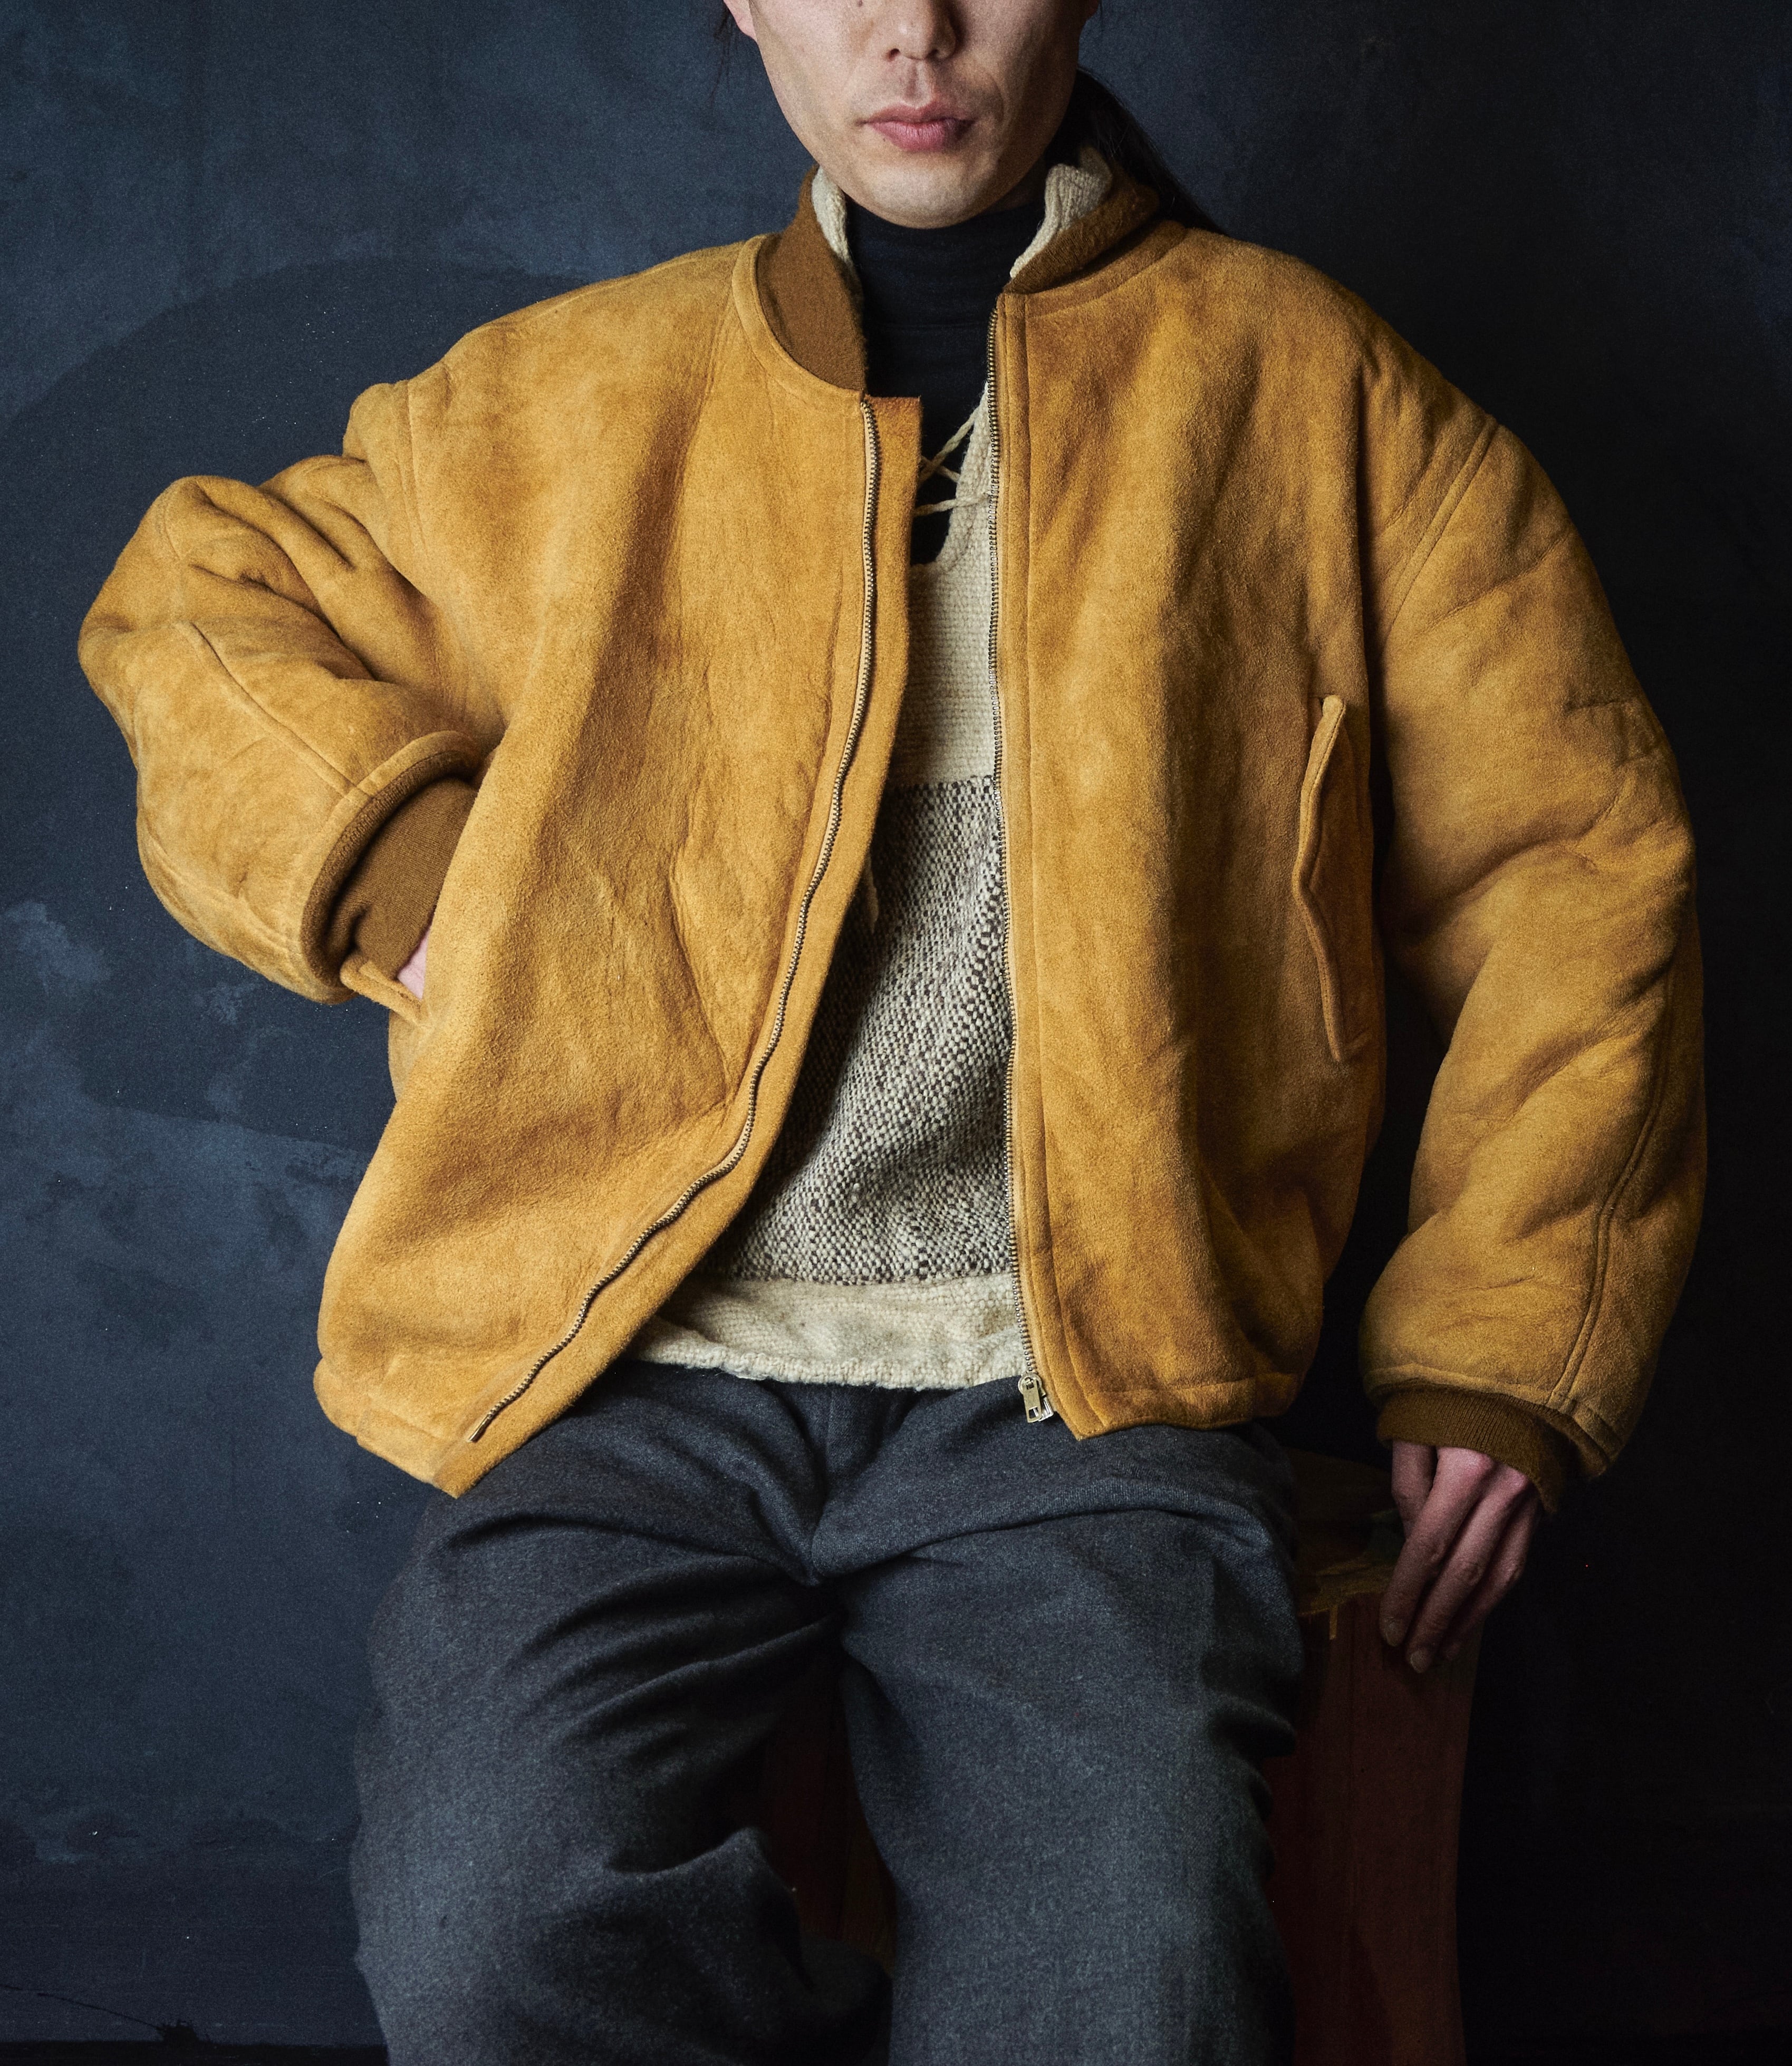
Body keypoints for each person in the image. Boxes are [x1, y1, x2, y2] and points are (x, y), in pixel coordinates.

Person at [76, 1, 1703, 2059]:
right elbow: (193, 599)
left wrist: (1502, 1340)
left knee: (1130, 1984)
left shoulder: (1312, 390)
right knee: (491, 1925)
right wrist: (398, 860)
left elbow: (1577, 865)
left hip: (1089, 1394)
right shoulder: (571, 400)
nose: (914, 32)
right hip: (623, 1369)